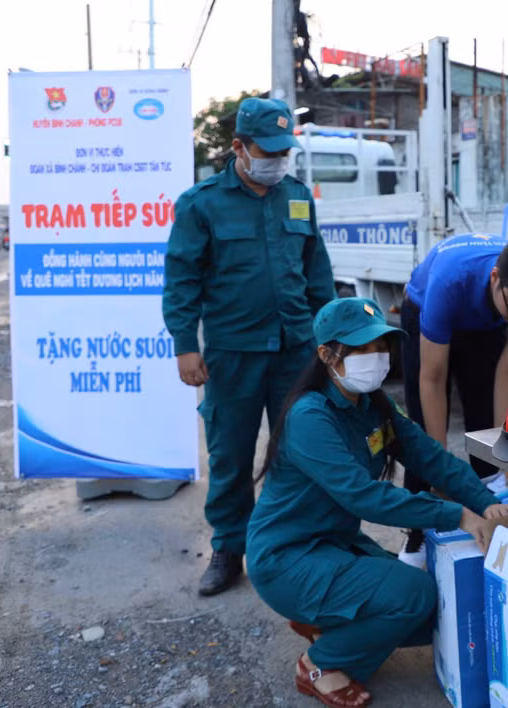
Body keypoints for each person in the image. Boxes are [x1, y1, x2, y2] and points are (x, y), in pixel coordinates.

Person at [246, 297, 508, 707]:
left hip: (332, 545)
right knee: (414, 595)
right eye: (361, 349)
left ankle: (325, 622)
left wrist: (486, 502)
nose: (376, 357)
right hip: (288, 559)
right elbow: (365, 497)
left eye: (381, 346)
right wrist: (457, 514)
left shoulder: (375, 405)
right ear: (326, 354)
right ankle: (320, 664)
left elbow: (431, 456)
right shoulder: (310, 416)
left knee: (435, 613)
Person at [163, 96, 336, 597]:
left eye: (285, 152)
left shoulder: (298, 196)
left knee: (299, 450)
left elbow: (317, 275)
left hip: (297, 352)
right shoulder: (201, 204)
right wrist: (184, 345)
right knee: (232, 454)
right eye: (268, 150)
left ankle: (296, 538)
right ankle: (228, 547)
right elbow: (181, 281)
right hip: (232, 353)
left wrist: (329, 341)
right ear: (238, 146)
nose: (278, 161)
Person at [398, 229, 508, 567]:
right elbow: (431, 379)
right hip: (425, 307)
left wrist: (505, 456)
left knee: (483, 431)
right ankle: (415, 539)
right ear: (495, 278)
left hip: (485, 324)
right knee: (422, 437)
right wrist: (440, 469)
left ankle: (485, 526)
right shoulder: (450, 281)